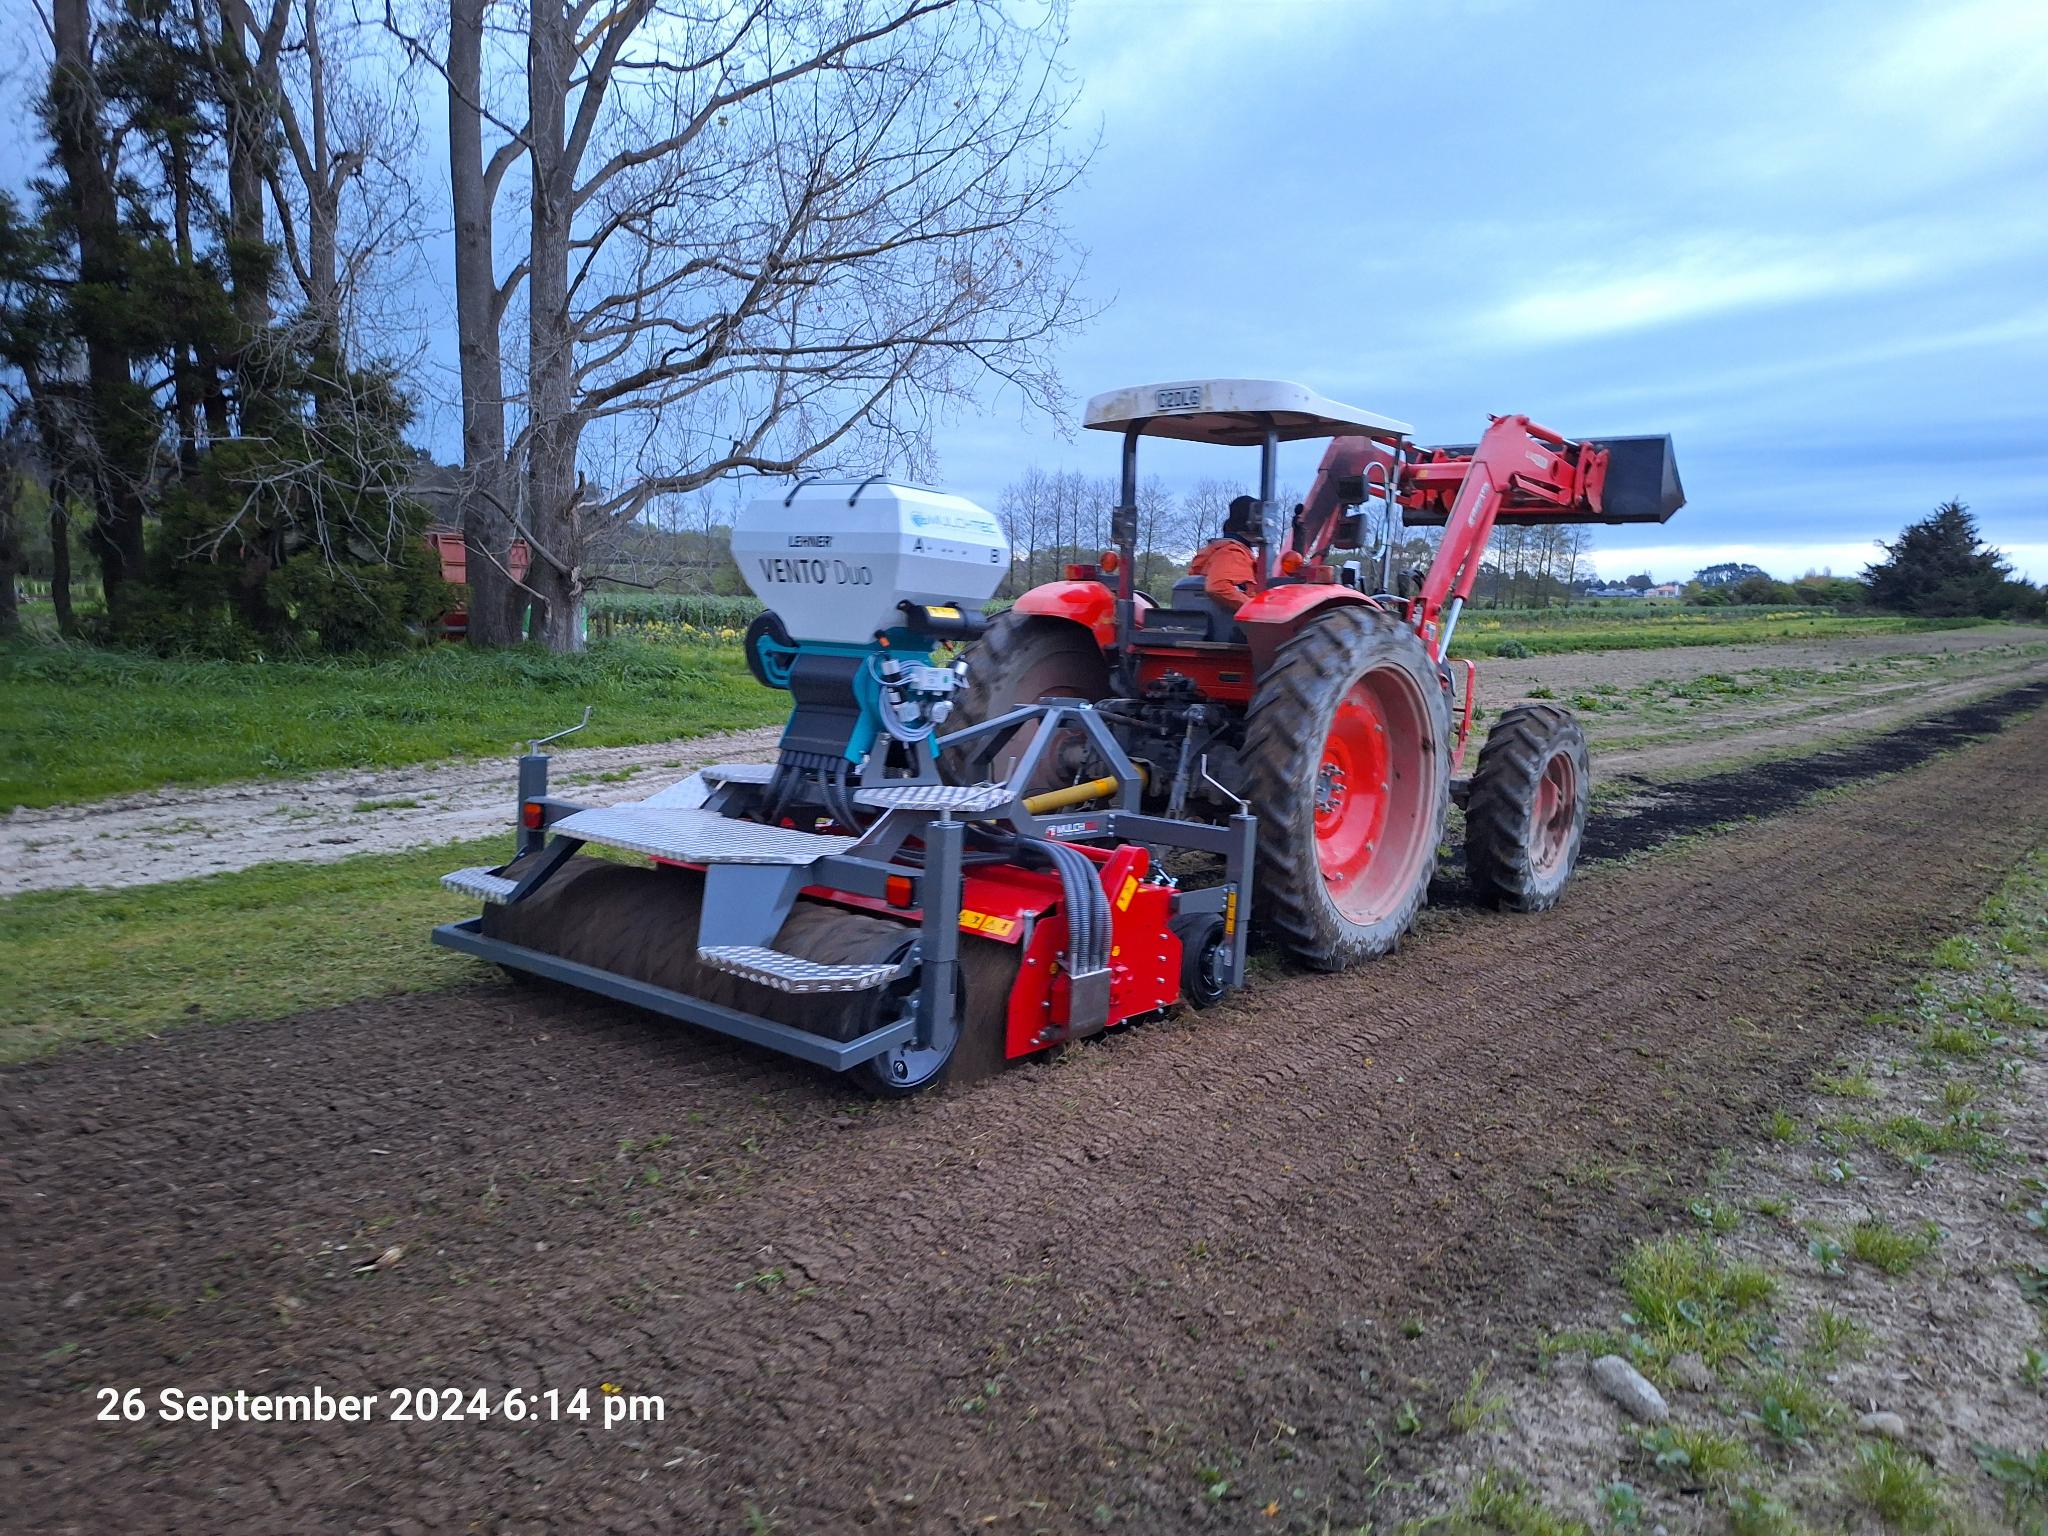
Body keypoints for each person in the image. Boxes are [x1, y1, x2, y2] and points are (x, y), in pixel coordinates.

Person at [1188, 495, 1263, 613]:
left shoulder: (1225, 550)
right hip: (1231, 623)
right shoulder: (1233, 553)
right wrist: (1256, 610)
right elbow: (1218, 587)